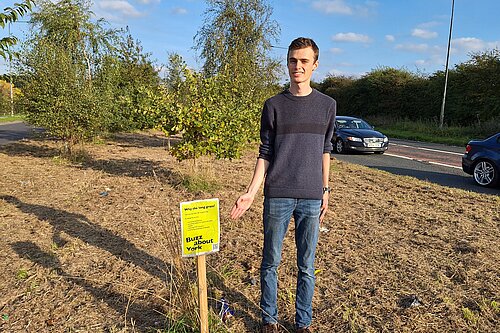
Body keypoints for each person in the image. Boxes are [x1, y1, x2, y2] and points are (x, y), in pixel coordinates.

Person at [230, 37, 336, 333]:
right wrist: (250, 193)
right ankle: (269, 320)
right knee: (271, 262)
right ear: (287, 63)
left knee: (306, 265)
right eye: (293, 60)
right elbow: (265, 152)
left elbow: (325, 150)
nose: (297, 66)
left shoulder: (327, 105)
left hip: (312, 197)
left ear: (315, 65)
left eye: (304, 61)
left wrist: (325, 189)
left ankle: (303, 323)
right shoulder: (274, 105)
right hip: (277, 195)